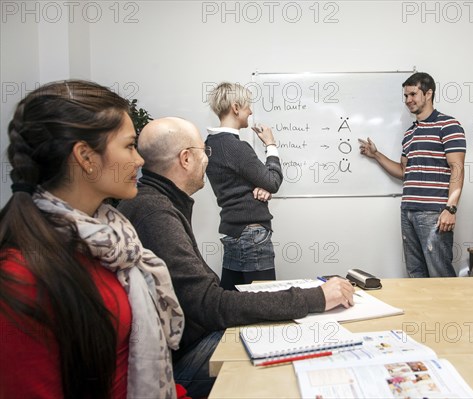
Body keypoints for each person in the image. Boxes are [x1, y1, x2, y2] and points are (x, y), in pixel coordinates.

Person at [117, 117, 355, 398]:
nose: (208, 158)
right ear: (185, 159)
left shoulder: (155, 202)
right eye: (202, 151)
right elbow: (211, 305)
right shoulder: (156, 213)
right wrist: (316, 297)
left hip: (185, 343)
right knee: (294, 347)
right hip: (183, 361)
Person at [0, 80, 186, 399]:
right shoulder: (22, 278)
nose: (139, 160)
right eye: (129, 146)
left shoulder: (112, 239)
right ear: (86, 156)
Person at [358, 72, 466, 278]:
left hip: (434, 214)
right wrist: (376, 155)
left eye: (413, 94)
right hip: (408, 211)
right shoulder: (410, 133)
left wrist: (451, 208)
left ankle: (448, 311)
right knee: (416, 275)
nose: (408, 100)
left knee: (440, 274)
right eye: (406, 96)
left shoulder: (448, 125)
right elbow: (403, 171)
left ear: (428, 93)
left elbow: (457, 168)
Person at [204, 82, 281, 289]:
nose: (251, 111)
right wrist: (271, 144)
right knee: (265, 304)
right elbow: (273, 181)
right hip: (252, 236)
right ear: (236, 108)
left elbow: (237, 182)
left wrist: (260, 186)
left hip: (233, 233)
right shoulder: (236, 147)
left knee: (232, 300)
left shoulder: (210, 145)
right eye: (248, 106)